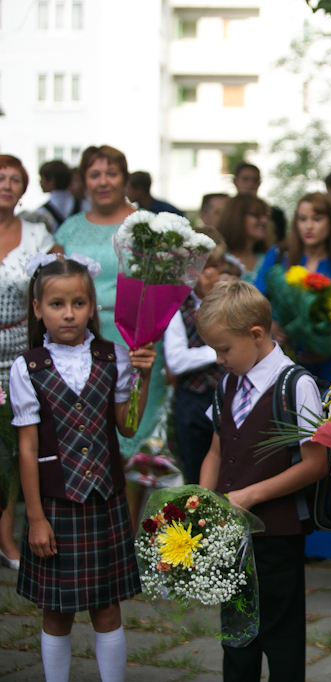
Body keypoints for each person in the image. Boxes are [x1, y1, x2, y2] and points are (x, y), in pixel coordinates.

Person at [11, 255, 155, 682]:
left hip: (104, 501)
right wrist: (35, 517)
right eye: (57, 304)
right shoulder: (29, 367)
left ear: (92, 306)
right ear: (38, 309)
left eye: (78, 303)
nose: (68, 313)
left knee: (107, 606)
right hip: (55, 506)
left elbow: (127, 427)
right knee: (57, 611)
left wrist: (142, 379)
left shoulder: (113, 357)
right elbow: (27, 447)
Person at [196, 280, 328, 682]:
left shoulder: (295, 385)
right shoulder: (227, 384)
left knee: (280, 633)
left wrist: (251, 495)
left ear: (255, 334)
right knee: (236, 634)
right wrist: (202, 501)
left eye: (224, 349)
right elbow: (217, 451)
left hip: (277, 535)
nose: (219, 359)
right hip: (230, 534)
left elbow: (315, 463)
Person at [55, 145, 168, 464]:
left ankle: (132, 513)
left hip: (135, 340)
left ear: (125, 179)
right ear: (83, 181)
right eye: (95, 174)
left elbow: (166, 283)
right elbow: (52, 280)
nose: (103, 182)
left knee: (135, 432)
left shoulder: (148, 225)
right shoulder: (70, 228)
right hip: (79, 337)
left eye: (111, 173)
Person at [0, 155, 59, 571]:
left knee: (11, 444)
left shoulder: (38, 233)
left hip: (19, 351)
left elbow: (57, 281)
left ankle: (6, 536)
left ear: (24, 189)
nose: (6, 183)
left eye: (14, 179)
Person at [254, 192, 331, 384]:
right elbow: (253, 299)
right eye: (302, 219)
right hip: (277, 362)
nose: (308, 226)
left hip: (322, 369)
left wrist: (326, 347)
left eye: (317, 219)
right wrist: (270, 325)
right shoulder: (279, 255)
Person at [163, 227, 228, 485]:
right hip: (194, 403)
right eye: (204, 267)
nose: (211, 274)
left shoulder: (230, 301)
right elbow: (177, 360)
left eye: (216, 266)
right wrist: (219, 351)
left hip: (228, 396)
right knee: (196, 471)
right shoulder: (179, 308)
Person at [217, 193, 271, 283]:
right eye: (256, 214)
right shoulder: (218, 260)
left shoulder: (269, 258)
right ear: (236, 216)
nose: (264, 220)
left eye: (265, 215)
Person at [233, 162, 287, 244]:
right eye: (245, 179)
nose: (250, 184)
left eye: (255, 180)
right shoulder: (226, 211)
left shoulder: (275, 214)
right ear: (235, 181)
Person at [32, 160, 80, 232]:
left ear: (51, 181)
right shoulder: (83, 205)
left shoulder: (41, 212)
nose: (40, 182)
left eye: (42, 178)